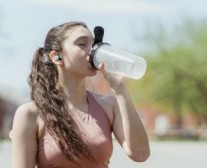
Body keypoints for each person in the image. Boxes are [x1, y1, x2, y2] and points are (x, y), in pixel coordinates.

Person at [10, 21, 150, 168]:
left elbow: (140, 154)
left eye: (94, 44)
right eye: (82, 44)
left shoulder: (109, 105)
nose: (93, 50)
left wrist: (121, 90)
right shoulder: (30, 113)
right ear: (56, 57)